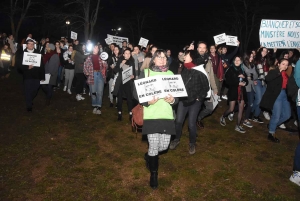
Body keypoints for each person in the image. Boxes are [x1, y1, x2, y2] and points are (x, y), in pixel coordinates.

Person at [135, 49, 178, 189]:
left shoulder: (171, 74)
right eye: (159, 57)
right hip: (151, 115)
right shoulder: (146, 73)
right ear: (153, 59)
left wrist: (173, 99)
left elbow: (176, 97)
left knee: (163, 146)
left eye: (164, 57)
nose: (162, 60)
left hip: (166, 115)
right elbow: (136, 93)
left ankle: (149, 156)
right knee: (154, 146)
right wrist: (147, 102)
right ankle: (154, 174)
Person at [169, 44, 210, 154]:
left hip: (195, 101)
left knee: (191, 124)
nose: (184, 57)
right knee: (178, 121)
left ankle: (192, 143)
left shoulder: (199, 71)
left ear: (191, 57)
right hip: (184, 100)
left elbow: (206, 87)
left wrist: (199, 98)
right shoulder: (185, 69)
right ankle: (176, 139)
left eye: (186, 55)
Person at [260, 58, 291, 143]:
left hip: (285, 95)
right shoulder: (274, 71)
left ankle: (272, 125)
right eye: (283, 64)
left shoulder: (285, 74)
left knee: (287, 115)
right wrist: (279, 71)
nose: (285, 66)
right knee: (276, 116)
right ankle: (271, 133)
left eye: (286, 64)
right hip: (276, 96)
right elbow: (267, 78)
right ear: (278, 64)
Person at [220, 56, 248, 133]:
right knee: (231, 109)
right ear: (233, 61)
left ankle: (238, 125)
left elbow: (247, 81)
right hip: (233, 91)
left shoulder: (242, 70)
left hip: (241, 91)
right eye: (235, 60)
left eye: (238, 60)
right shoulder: (230, 69)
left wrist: (244, 81)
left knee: (241, 109)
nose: (237, 61)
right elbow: (227, 81)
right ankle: (223, 116)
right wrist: (237, 81)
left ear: (241, 61)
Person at [15, 39, 45, 112]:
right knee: (28, 90)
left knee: (35, 90)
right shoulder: (22, 53)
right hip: (27, 75)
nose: (31, 45)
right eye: (30, 44)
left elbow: (41, 65)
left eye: (32, 44)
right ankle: (29, 105)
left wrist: (42, 76)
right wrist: (27, 67)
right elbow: (18, 65)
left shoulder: (38, 52)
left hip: (36, 75)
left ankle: (30, 99)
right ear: (27, 45)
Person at [83, 45, 108, 114]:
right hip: (92, 75)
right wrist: (86, 72)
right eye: (95, 47)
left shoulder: (101, 57)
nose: (96, 49)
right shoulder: (89, 58)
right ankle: (94, 106)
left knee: (100, 92)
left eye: (97, 48)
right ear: (92, 49)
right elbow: (85, 67)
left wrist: (104, 63)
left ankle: (98, 107)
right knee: (93, 92)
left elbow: (106, 67)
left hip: (100, 75)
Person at [113, 48, 136, 121]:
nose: (127, 55)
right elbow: (115, 70)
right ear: (123, 54)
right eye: (126, 53)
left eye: (129, 53)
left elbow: (134, 73)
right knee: (120, 99)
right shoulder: (120, 60)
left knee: (129, 99)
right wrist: (121, 64)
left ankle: (130, 113)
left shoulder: (132, 62)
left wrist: (133, 76)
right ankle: (119, 113)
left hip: (128, 82)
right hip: (120, 82)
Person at [252, 47, 270, 123]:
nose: (265, 52)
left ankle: (256, 116)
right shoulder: (255, 59)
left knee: (261, 100)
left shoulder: (266, 61)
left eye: (266, 51)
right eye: (263, 51)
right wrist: (252, 79)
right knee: (258, 99)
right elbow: (251, 69)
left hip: (264, 82)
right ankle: (250, 112)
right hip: (257, 81)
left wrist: (275, 52)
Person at [242, 51, 257, 128]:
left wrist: (251, 77)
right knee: (242, 103)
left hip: (251, 87)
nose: (252, 58)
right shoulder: (243, 65)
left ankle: (246, 119)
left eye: (252, 56)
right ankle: (231, 112)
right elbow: (242, 75)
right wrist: (247, 76)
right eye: (250, 56)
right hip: (243, 87)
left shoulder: (252, 65)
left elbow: (255, 76)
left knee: (250, 103)